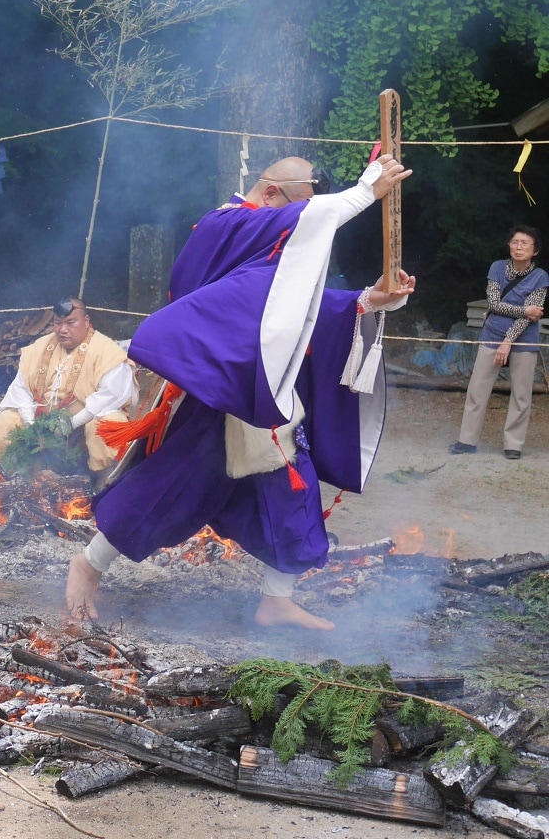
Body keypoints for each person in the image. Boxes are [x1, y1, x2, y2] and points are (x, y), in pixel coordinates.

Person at [65, 155, 415, 631]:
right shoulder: (224, 226)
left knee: (292, 486)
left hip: (255, 386)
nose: (300, 227)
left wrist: (365, 300)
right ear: (271, 194)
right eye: (298, 209)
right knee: (171, 485)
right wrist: (359, 194)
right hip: (219, 384)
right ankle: (88, 563)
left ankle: (276, 599)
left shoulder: (264, 237)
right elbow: (261, 284)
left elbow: (286, 300)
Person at [0, 298, 137, 476]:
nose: (62, 329)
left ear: (87, 321)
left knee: (111, 422)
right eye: (57, 323)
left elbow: (109, 398)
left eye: (70, 323)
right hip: (41, 422)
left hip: (84, 423)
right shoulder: (39, 347)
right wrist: (30, 423)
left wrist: (72, 423)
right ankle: (5, 478)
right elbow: (21, 389)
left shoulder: (107, 351)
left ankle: (104, 483)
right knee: (6, 419)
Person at [450, 225, 548, 461]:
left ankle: (513, 444)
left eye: (525, 243)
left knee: (522, 394)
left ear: (535, 250)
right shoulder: (497, 268)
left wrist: (508, 341)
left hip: (524, 339)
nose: (519, 247)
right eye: (515, 242)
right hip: (492, 333)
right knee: (477, 389)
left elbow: (530, 319)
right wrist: (524, 310)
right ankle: (467, 440)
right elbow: (493, 304)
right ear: (509, 245)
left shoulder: (541, 276)